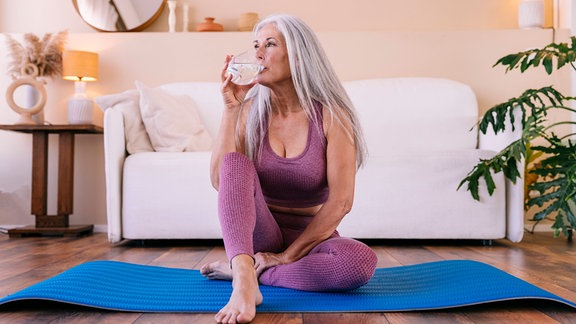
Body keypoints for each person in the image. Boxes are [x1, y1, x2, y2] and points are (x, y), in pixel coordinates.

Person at [200, 14, 377, 324]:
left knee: (357, 264)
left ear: (297, 55)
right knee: (234, 162)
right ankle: (244, 276)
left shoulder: (332, 115)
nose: (257, 53)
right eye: (255, 45)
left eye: (269, 44)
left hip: (312, 238)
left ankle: (255, 273)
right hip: (259, 232)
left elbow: (342, 201)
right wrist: (231, 110)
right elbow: (220, 179)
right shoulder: (249, 110)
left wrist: (285, 257)